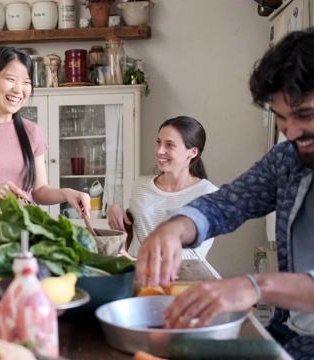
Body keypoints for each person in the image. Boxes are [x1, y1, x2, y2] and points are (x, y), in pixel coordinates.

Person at [136, 29, 314, 359]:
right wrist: (174, 228)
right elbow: (229, 203)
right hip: (290, 336)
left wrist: (254, 285)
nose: (289, 132)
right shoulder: (287, 158)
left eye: (304, 115)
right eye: (281, 118)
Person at [0, 46, 90, 214]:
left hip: (26, 233)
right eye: (11, 79)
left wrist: (67, 193)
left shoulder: (33, 132)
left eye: (26, 82)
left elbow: (39, 191)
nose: (19, 89)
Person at [107, 116, 218, 260]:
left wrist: (140, 260)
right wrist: (115, 208)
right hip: (138, 274)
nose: (159, 151)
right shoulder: (141, 185)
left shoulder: (208, 195)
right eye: (158, 142)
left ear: (193, 152)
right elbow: (136, 220)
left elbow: (194, 255)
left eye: (169, 145)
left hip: (184, 276)